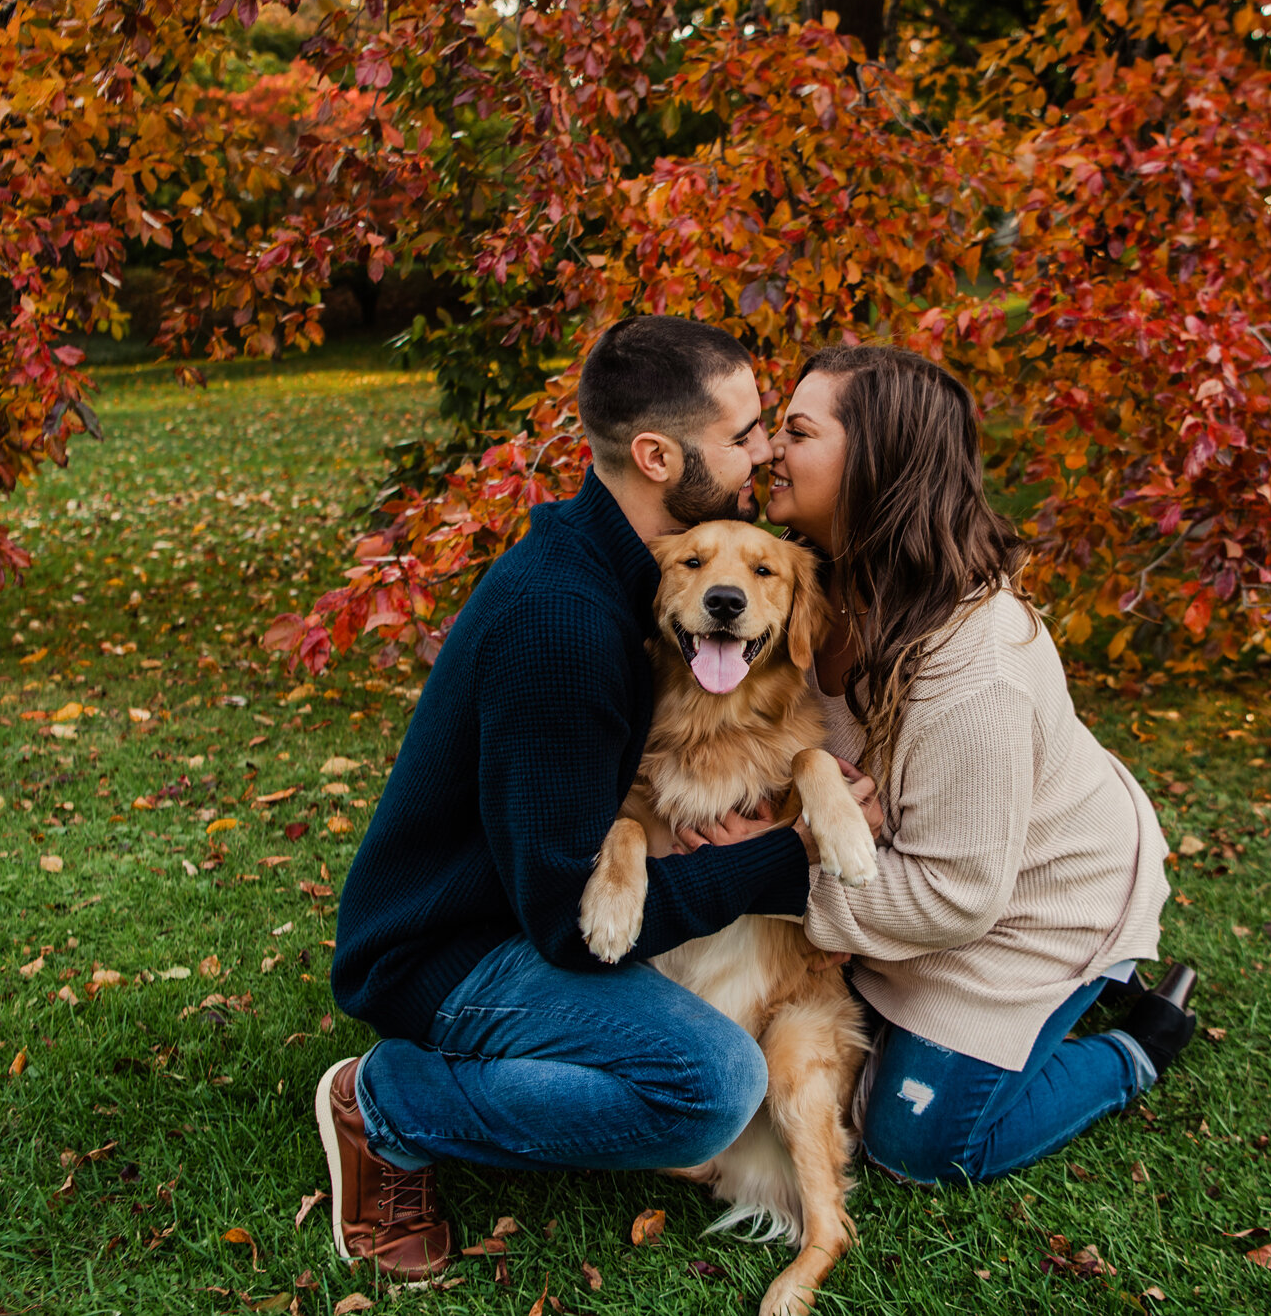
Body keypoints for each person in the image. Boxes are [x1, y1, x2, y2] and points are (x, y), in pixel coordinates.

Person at [312, 316, 867, 1276]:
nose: (763, 453)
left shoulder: (632, 575)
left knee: (706, 1062)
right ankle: (391, 1104)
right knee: (711, 1083)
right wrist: (775, 861)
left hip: (521, 907)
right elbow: (571, 927)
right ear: (657, 456)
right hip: (453, 947)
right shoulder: (563, 621)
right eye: (741, 435)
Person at [763, 344, 1197, 1185]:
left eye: (797, 431)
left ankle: (1133, 1043)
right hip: (896, 878)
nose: (768, 449)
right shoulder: (801, 582)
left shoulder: (977, 664)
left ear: (876, 467)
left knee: (911, 1144)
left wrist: (760, 874)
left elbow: (959, 894)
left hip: (1032, 904)